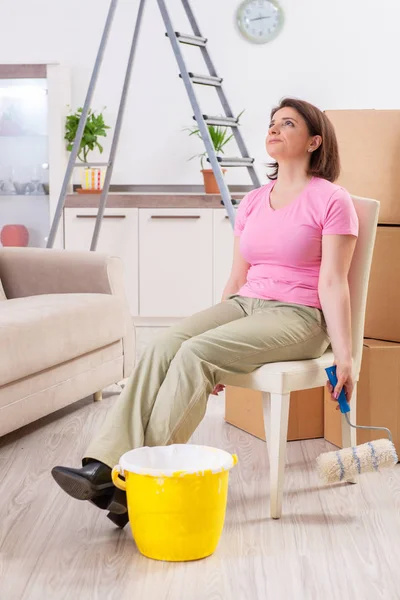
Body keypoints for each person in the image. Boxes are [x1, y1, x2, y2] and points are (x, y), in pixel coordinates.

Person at [52, 98, 358, 528]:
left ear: (314, 141)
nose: (274, 128)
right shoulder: (253, 201)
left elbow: (334, 282)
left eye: (287, 123)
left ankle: (135, 482)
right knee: (163, 345)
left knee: (197, 354)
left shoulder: (332, 200)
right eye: (272, 123)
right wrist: (222, 334)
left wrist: (345, 356)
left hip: (300, 315)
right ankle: (104, 467)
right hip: (245, 304)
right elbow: (238, 276)